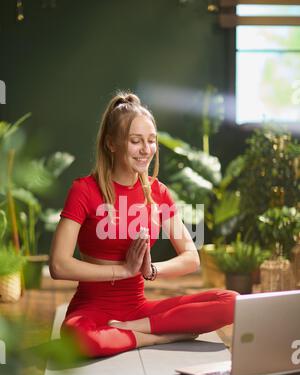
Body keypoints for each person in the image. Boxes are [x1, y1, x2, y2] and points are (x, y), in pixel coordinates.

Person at [49, 91, 237, 358]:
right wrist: (124, 270)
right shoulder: (84, 190)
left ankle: (132, 329)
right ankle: (153, 338)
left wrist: (150, 270)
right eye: (135, 141)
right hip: (92, 309)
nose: (146, 149)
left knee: (231, 302)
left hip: (138, 311)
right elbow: (58, 265)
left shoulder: (158, 192)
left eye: (151, 141)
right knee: (77, 340)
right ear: (111, 143)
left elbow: (191, 258)